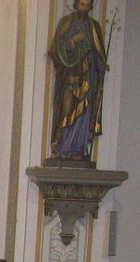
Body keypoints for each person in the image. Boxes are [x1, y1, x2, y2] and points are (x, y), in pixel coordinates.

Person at [48, 0, 107, 162]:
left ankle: (79, 148)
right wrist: (73, 41)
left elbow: (98, 52)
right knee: (67, 109)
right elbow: (56, 50)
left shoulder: (93, 26)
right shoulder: (66, 23)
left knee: (84, 111)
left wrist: (100, 64)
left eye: (87, 5)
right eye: (82, 4)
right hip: (70, 76)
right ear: (75, 4)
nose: (85, 8)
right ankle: (62, 146)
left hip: (87, 76)